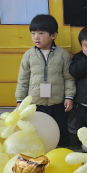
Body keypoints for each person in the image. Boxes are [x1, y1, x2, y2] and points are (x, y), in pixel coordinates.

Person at [15, 14, 75, 147]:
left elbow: (69, 78)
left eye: (41, 33)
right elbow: (23, 79)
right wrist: (20, 100)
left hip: (58, 103)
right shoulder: (29, 55)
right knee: (38, 131)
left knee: (61, 130)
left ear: (53, 35)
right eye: (33, 33)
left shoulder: (63, 55)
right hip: (36, 103)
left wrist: (69, 97)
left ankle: (63, 150)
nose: (36, 37)